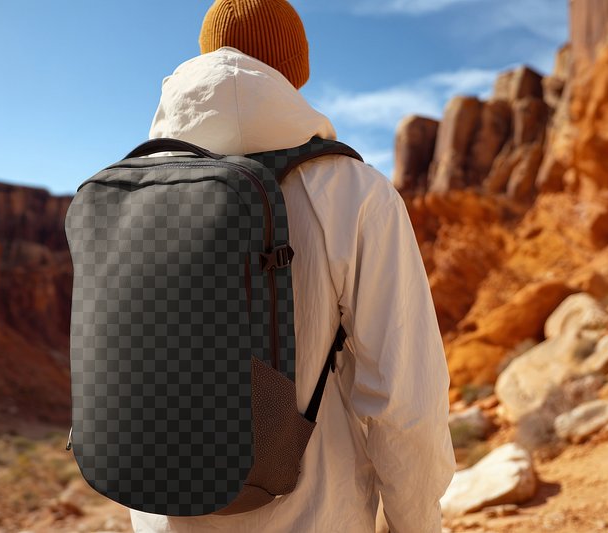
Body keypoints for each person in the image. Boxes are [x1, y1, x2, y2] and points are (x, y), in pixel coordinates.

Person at [129, 0, 455, 531]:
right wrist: (415, 523)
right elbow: (403, 399)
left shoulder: (136, 192)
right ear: (295, 72)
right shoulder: (353, 191)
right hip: (316, 513)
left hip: (164, 509)